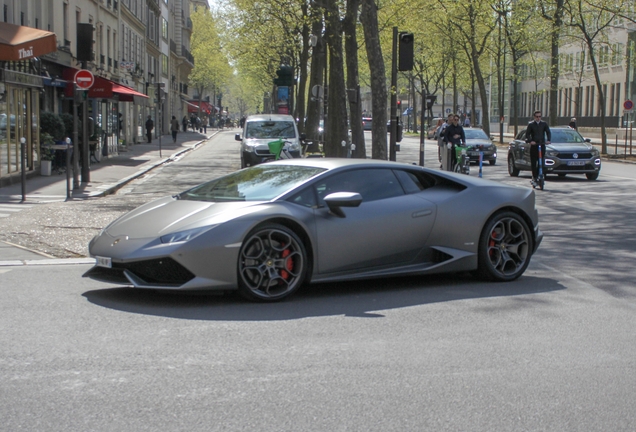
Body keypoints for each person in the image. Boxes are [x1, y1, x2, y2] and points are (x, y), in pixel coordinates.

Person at [525, 110, 551, 187]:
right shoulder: (531, 125)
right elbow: (527, 135)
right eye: (537, 117)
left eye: (540, 116)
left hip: (541, 144)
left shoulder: (544, 124)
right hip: (534, 145)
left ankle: (541, 175)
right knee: (534, 163)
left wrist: (548, 140)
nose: (538, 118)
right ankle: (534, 177)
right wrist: (530, 141)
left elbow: (548, 132)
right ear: (534, 117)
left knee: (541, 162)